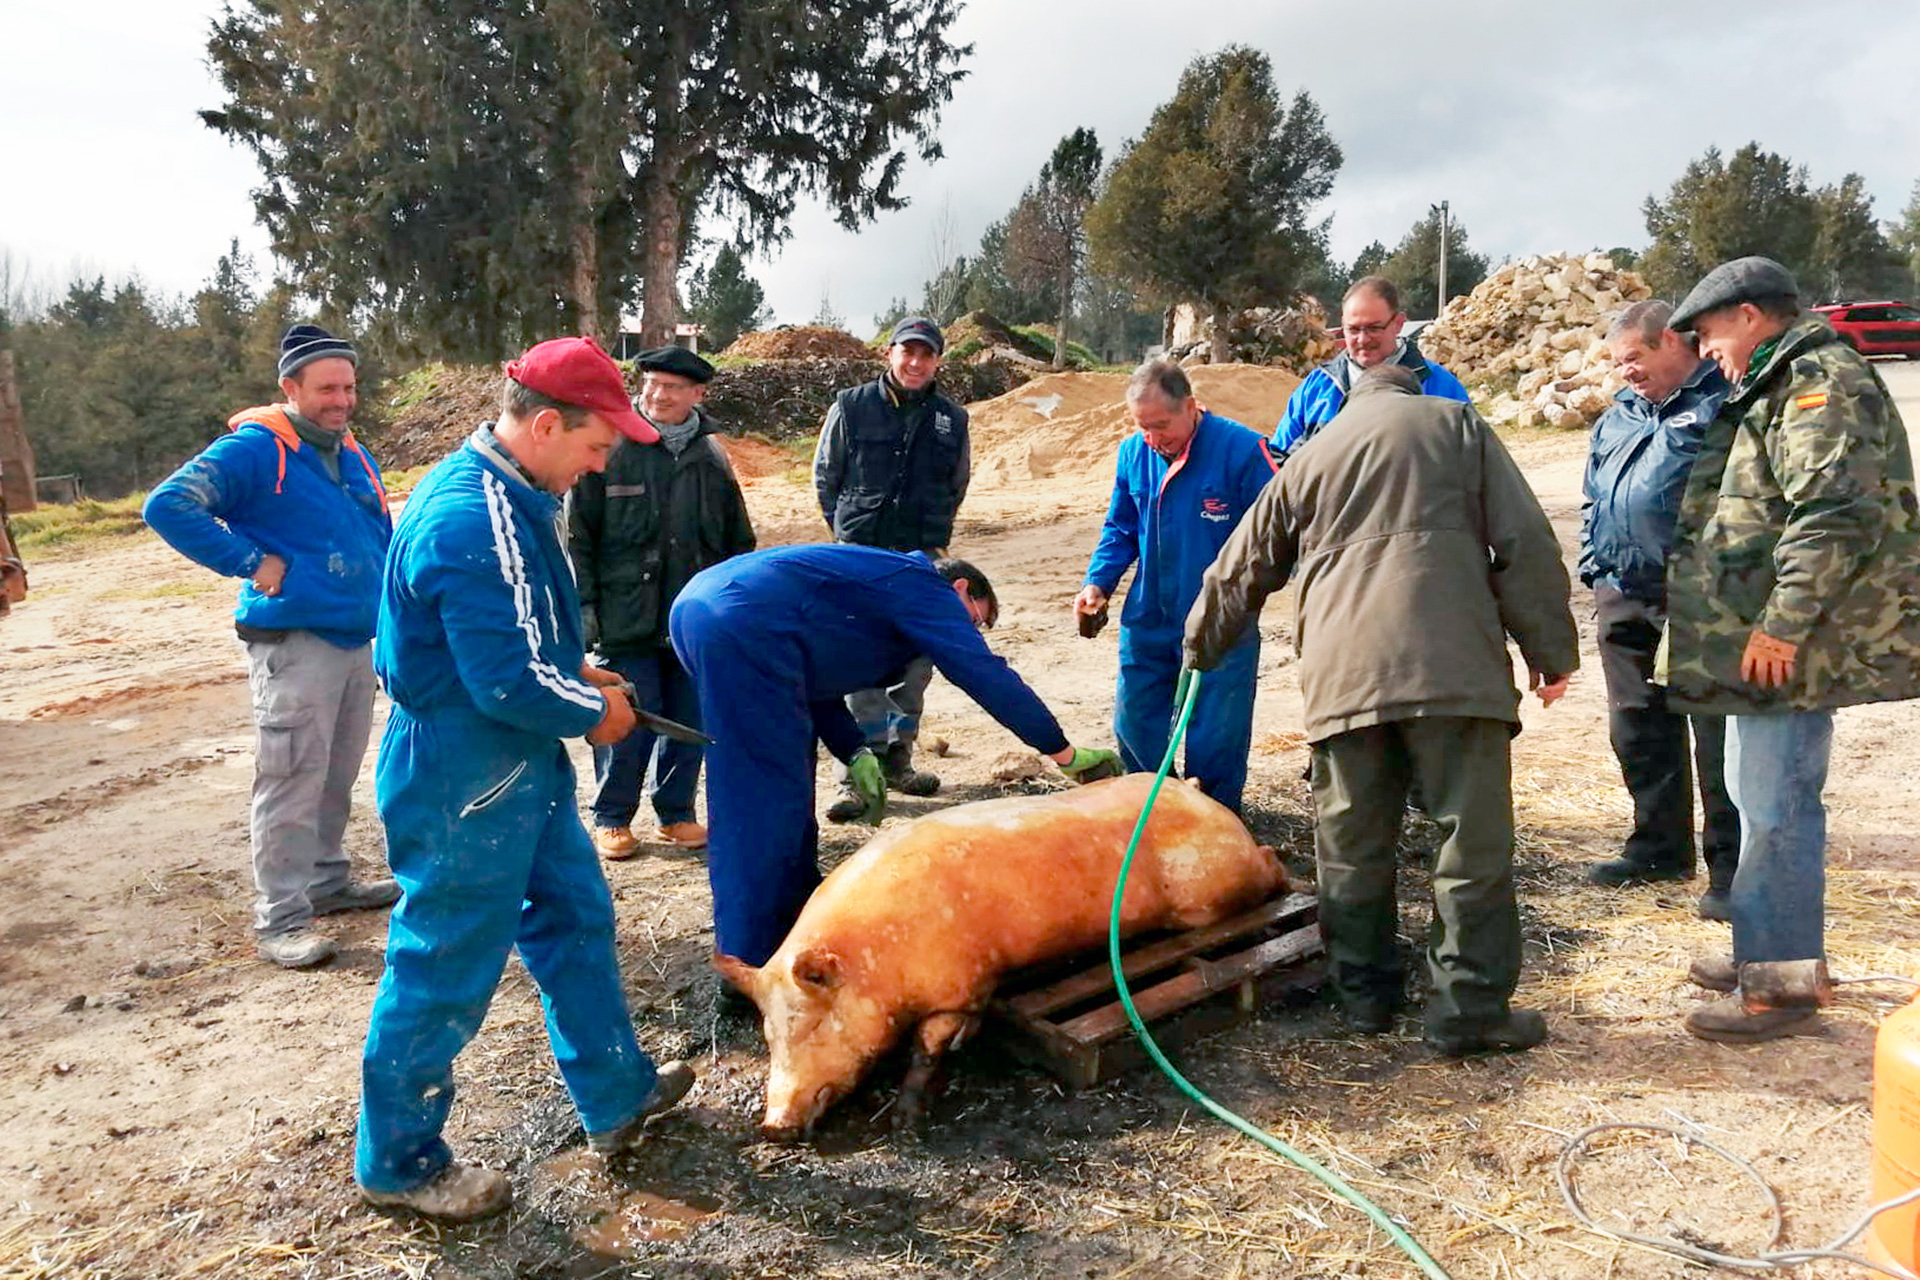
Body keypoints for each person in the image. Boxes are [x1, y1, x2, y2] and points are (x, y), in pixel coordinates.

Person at [356, 338, 693, 1222]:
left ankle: (615, 1093)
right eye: (593, 447)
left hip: (513, 755)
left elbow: (512, 641)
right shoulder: (475, 517)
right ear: (546, 424)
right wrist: (596, 713)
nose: (599, 463)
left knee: (576, 913)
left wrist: (574, 670)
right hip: (463, 771)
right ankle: (398, 1162)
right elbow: (502, 681)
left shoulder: (515, 490)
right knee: (445, 962)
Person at [1185, 364, 1578, 1055]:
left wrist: (1200, 646)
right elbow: (1524, 540)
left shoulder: (1312, 456)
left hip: (1345, 682)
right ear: (1413, 388)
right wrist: (1549, 648)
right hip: (1453, 671)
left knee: (1352, 849)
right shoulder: (1455, 424)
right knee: (1469, 843)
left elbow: (1239, 564)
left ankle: (1365, 997)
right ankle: (1469, 1012)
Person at [1660, 257, 1920, 1043]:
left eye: (1709, 334)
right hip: (1763, 641)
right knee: (1752, 792)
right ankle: (1764, 950)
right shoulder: (1779, 378)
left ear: (1747, 316)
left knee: (1777, 808)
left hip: (1794, 644)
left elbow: (1834, 512)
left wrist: (1782, 623)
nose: (1707, 352)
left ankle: (1779, 987)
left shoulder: (1820, 383)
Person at [669, 544, 1123, 972]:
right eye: (976, 621)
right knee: (759, 800)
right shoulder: (924, 584)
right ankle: (748, 964)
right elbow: (983, 674)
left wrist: (854, 748)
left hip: (712, 613)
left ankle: (794, 921)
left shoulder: (881, 583)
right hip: (737, 623)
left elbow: (810, 682)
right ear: (962, 589)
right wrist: (1062, 751)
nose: (968, 632)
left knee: (786, 787)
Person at [143, 324, 398, 969]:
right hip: (293, 642)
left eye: (348, 387)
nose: (341, 399)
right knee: (290, 777)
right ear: (290, 388)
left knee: (337, 771)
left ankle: (327, 880)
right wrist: (250, 560)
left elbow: (375, 531)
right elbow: (168, 505)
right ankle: (280, 919)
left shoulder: (349, 450)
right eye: (326, 389)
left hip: (352, 637)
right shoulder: (255, 450)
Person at [1578, 300, 1740, 917]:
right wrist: (1595, 566)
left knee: (1716, 738)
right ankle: (1658, 848)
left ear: (1671, 341)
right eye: (1619, 364)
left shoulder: (1723, 403)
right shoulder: (1618, 416)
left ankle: (1729, 870)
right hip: (1624, 593)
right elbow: (1594, 494)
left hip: (1700, 599)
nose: (1626, 374)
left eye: (1634, 360)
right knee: (1637, 729)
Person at [569, 344, 755, 861]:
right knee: (627, 717)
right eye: (651, 383)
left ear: (698, 394)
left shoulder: (711, 457)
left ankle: (675, 813)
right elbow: (577, 535)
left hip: (695, 617)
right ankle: (612, 817)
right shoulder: (612, 446)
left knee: (688, 717)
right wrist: (585, 605)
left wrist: (737, 608)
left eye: (672, 387)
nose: (658, 394)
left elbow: (739, 540)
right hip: (626, 615)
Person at [1074, 359, 1276, 811]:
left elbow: (1276, 534)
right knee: (1135, 721)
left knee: (1215, 733)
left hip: (1220, 621)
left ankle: (1218, 823)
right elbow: (1121, 529)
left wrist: (1240, 598)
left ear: (1190, 406)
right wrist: (1097, 583)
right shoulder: (1133, 453)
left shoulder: (1243, 451)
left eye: (1161, 426)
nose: (1153, 439)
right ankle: (1153, 814)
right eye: (1143, 428)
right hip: (1149, 616)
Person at [812, 316, 970, 816]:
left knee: (914, 668)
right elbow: (826, 477)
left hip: (919, 559)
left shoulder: (951, 419)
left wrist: (931, 540)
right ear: (890, 354)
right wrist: (846, 535)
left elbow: (957, 484)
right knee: (857, 666)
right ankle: (854, 776)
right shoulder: (851, 407)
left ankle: (898, 760)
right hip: (858, 558)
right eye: (908, 352)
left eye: (926, 354)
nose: (916, 362)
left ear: (938, 361)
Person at [1271, 276, 1470, 462]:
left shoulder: (1440, 387)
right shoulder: (1316, 388)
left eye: (1374, 328)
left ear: (1399, 323)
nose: (1363, 339)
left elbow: (1472, 463)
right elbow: (1277, 463)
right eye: (1354, 329)